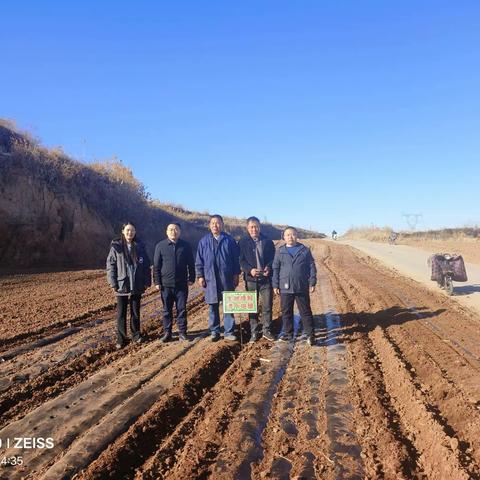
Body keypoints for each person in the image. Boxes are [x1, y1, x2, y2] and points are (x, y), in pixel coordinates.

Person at [106, 222, 151, 349]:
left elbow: (147, 265)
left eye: (132, 230)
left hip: (136, 284)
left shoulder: (140, 247)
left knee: (135, 312)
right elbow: (111, 266)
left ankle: (136, 335)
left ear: (135, 232)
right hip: (122, 284)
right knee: (121, 313)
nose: (130, 233)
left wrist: (147, 281)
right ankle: (121, 338)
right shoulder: (116, 246)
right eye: (127, 230)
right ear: (123, 231)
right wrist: (113, 282)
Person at [195, 214, 240, 342]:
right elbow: (199, 260)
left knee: (228, 305)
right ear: (209, 225)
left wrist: (236, 274)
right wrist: (200, 275)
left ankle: (229, 331)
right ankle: (214, 331)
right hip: (210, 278)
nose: (215, 225)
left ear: (222, 225)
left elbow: (235, 260)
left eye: (218, 223)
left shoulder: (229, 240)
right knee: (213, 306)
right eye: (213, 223)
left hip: (226, 278)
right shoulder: (203, 241)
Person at [272, 226, 317, 346]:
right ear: (284, 237)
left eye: (293, 234)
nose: (290, 237)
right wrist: (275, 284)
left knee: (305, 311)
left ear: (297, 236)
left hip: (301, 285)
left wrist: (312, 281)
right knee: (286, 312)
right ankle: (288, 334)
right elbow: (275, 268)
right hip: (285, 287)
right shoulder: (280, 251)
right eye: (287, 235)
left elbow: (311, 266)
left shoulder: (304, 250)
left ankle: (310, 335)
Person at [153, 223, 195, 342]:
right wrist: (157, 281)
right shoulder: (160, 246)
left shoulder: (185, 246)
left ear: (180, 231)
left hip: (181, 285)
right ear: (166, 232)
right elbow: (156, 266)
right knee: (167, 310)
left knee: (181, 309)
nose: (173, 231)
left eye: (176, 229)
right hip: (166, 285)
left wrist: (191, 278)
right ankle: (168, 333)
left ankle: (182, 332)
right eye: (171, 229)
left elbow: (191, 264)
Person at [238, 216, 276, 342]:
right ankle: (254, 331)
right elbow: (241, 260)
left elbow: (273, 259)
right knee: (252, 306)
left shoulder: (268, 242)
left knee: (267, 305)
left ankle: (267, 330)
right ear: (247, 228)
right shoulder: (242, 242)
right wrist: (250, 270)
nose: (254, 229)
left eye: (256, 227)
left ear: (260, 227)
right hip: (251, 280)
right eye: (252, 227)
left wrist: (268, 267)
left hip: (266, 279)